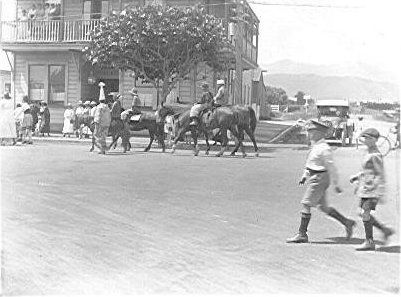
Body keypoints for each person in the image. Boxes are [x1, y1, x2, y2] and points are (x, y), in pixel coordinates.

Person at [286, 120, 355, 243]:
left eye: (311, 131)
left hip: (320, 178)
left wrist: (336, 183)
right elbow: (311, 164)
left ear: (319, 133)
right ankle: (347, 222)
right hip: (315, 176)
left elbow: (331, 167)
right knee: (324, 207)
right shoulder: (315, 146)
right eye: (309, 131)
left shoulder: (324, 148)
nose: (309, 134)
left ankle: (302, 234)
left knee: (306, 203)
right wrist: (305, 175)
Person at [350, 128, 394, 251]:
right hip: (365, 188)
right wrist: (357, 177)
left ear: (374, 140)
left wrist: (380, 191)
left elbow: (380, 173)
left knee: (365, 214)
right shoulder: (368, 152)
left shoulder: (375, 155)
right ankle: (385, 230)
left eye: (368, 138)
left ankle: (369, 241)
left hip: (372, 189)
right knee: (362, 213)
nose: (365, 140)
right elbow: (367, 170)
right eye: (365, 137)